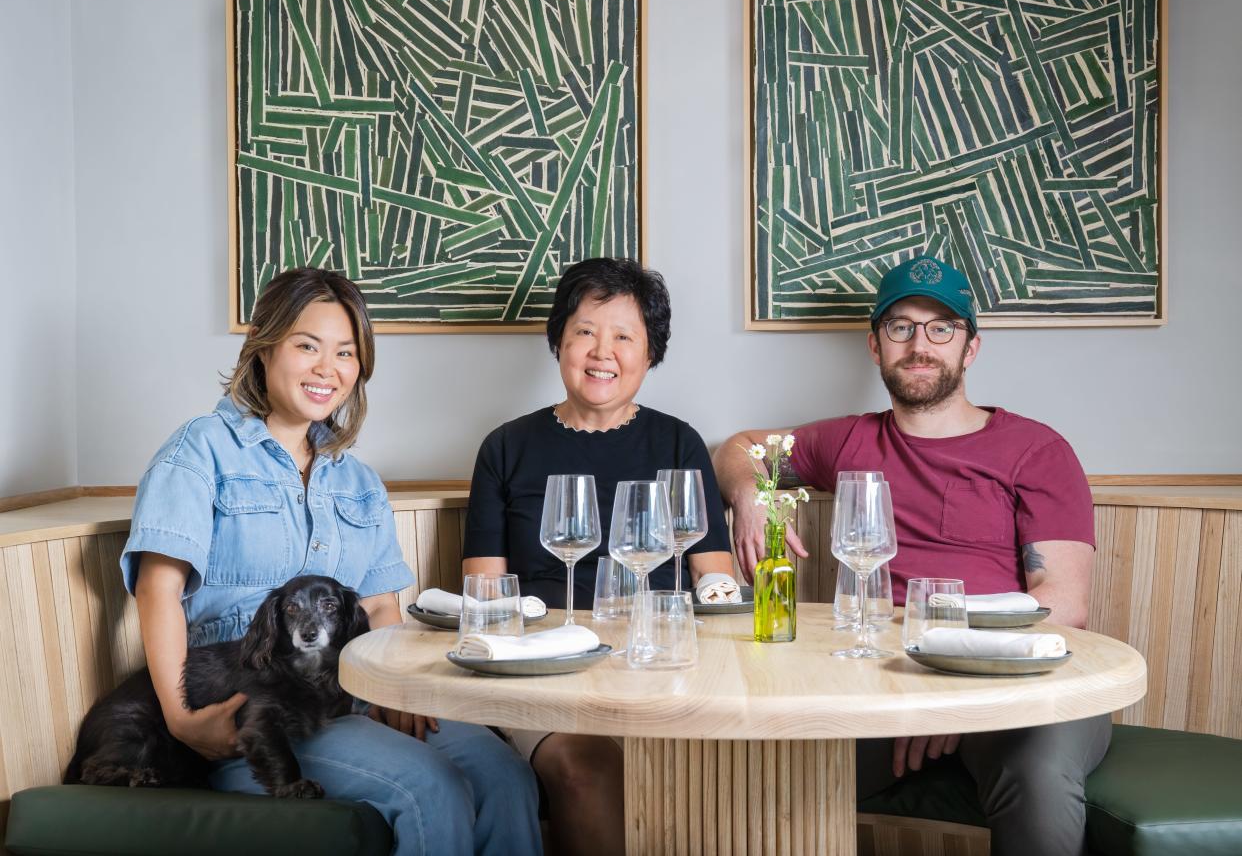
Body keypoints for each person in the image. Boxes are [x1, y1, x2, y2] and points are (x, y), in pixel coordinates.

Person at [118, 268, 540, 856]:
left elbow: (380, 605)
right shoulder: (200, 450)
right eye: (307, 346)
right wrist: (183, 718)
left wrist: (401, 696)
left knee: (504, 776)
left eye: (345, 352)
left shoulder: (358, 481)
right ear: (264, 346)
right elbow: (158, 590)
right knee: (430, 786)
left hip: (354, 697)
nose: (328, 368)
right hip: (259, 709)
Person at [713, 255, 1105, 856]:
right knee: (760, 776)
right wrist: (750, 493)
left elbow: (1063, 605)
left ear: (969, 348)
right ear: (875, 346)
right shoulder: (847, 440)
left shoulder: (1037, 449)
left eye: (941, 327)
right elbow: (740, 448)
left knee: (1037, 780)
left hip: (1017, 683)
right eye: (900, 327)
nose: (920, 344)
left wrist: (954, 686)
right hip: (877, 682)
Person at [462, 257, 737, 856]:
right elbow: (485, 597)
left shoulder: (677, 442)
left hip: (658, 669)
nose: (601, 351)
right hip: (542, 676)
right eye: (585, 331)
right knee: (587, 768)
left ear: (650, 353)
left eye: (623, 336)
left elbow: (714, 578)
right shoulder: (506, 447)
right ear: (559, 339)